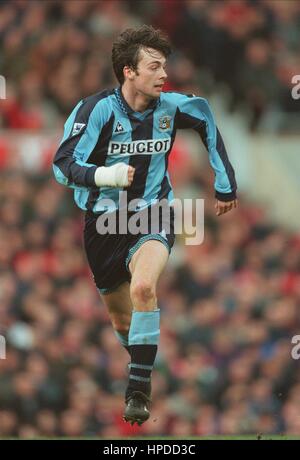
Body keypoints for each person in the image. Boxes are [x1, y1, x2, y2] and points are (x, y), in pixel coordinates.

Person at [53, 25, 237, 426]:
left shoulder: (173, 107)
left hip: (154, 214)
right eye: (154, 67)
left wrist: (225, 184)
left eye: (164, 66)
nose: (163, 74)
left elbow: (206, 119)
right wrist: (106, 176)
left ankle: (138, 387)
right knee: (122, 321)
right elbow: (62, 166)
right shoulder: (95, 110)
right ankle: (142, 356)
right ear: (128, 71)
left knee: (143, 287)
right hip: (102, 225)